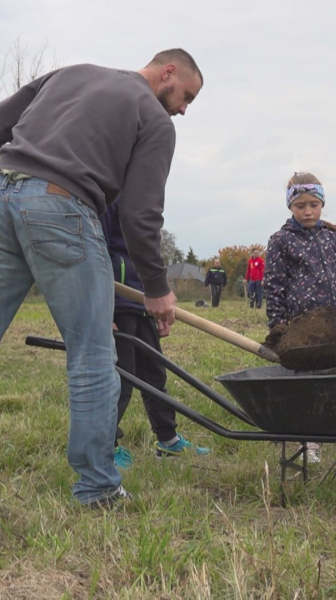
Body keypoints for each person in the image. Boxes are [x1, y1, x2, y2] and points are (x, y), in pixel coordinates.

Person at [0, 49, 203, 508]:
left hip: (4, 190)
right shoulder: (153, 118)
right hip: (62, 204)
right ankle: (97, 487)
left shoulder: (71, 73)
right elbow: (139, 213)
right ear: (168, 72)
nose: (184, 109)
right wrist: (157, 287)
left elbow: (2, 121)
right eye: (187, 96)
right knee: (93, 354)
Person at [264, 172, 336, 463]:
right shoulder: (280, 241)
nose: (308, 210)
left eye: (314, 203)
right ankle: (309, 441)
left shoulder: (330, 239)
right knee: (310, 382)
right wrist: (277, 324)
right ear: (290, 207)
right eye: (301, 205)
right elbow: (274, 285)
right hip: (305, 326)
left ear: (322, 203)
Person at [101, 202, 210, 468]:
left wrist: (160, 303)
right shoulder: (107, 198)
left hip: (144, 305)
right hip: (117, 305)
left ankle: (168, 440)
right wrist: (103, 310)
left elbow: (152, 255)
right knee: (120, 381)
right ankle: (105, 447)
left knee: (155, 376)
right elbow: (94, 254)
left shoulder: (142, 200)